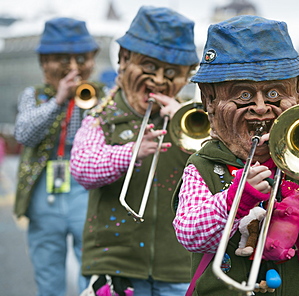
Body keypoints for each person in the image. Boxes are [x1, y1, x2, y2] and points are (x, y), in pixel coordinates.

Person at [172, 15, 299, 296]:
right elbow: (190, 233)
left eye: (275, 92)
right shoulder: (204, 165)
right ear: (210, 100)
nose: (262, 107)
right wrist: (235, 199)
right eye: (243, 95)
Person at [69, 6, 199, 296]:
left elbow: (223, 167)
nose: (160, 80)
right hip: (114, 265)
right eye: (150, 68)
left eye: (172, 73)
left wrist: (185, 121)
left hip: (178, 267)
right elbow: (81, 168)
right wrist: (128, 153)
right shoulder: (102, 116)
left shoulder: (192, 119)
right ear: (124, 60)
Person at [14, 17, 103, 296]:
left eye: (81, 58)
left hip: (84, 188)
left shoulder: (103, 96)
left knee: (90, 269)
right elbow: (24, 134)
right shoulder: (33, 95)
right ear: (44, 62)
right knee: (47, 269)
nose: (73, 67)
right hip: (44, 191)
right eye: (62, 59)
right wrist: (58, 100)